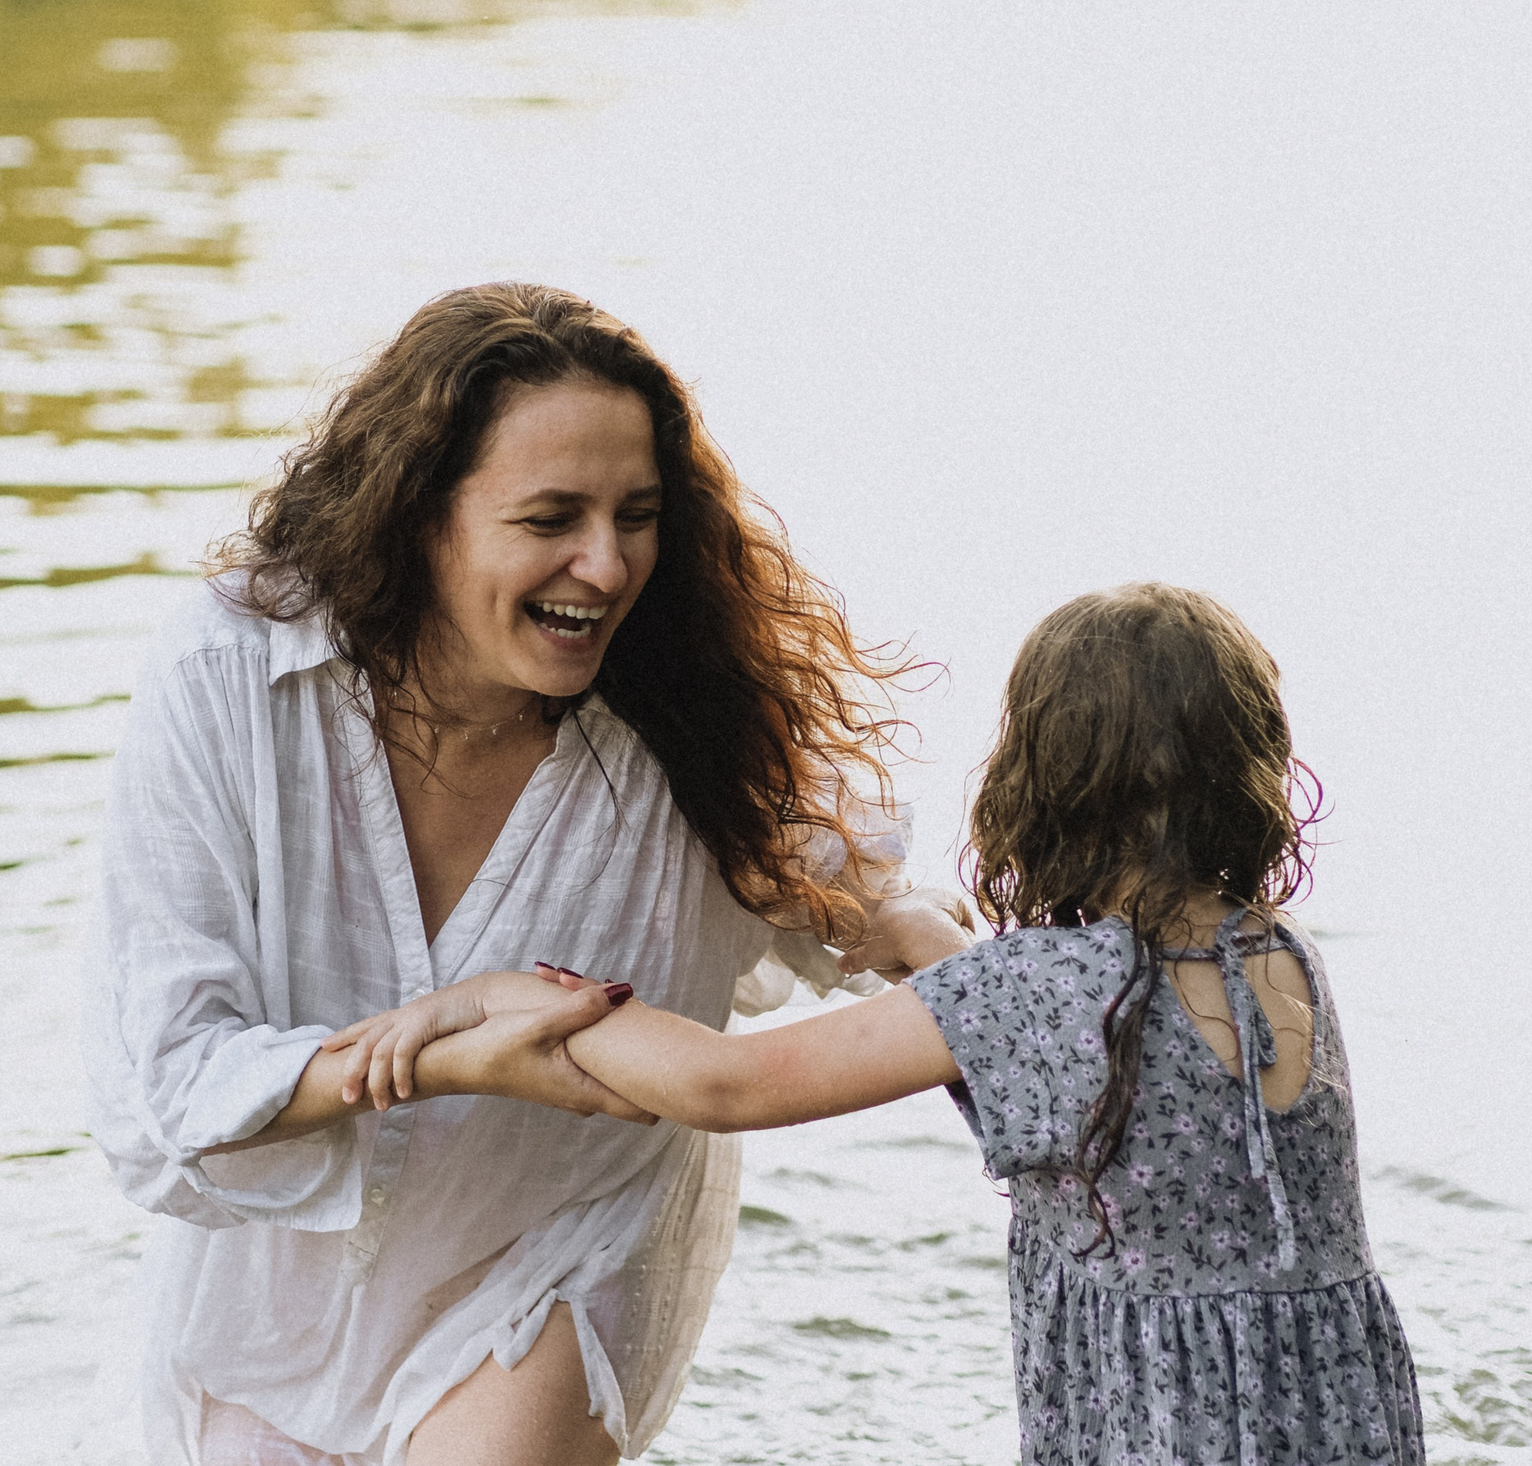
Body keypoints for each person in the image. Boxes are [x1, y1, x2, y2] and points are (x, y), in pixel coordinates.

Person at [85, 283, 932, 1466]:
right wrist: (448, 1056)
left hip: (558, 1253)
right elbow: (166, 1089)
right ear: (419, 514)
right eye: (550, 518)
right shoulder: (229, 674)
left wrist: (1040, 974)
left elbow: (877, 914)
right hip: (266, 1302)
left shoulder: (697, 716)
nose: (607, 564)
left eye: (638, 515)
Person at [338, 583, 1428, 1466]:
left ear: (1042, 784)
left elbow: (726, 1083)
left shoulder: (1045, 989)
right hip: (1337, 1413)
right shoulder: (1280, 958)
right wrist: (911, 931)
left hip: (1167, 1430)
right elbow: (1066, 1034)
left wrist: (509, 996)